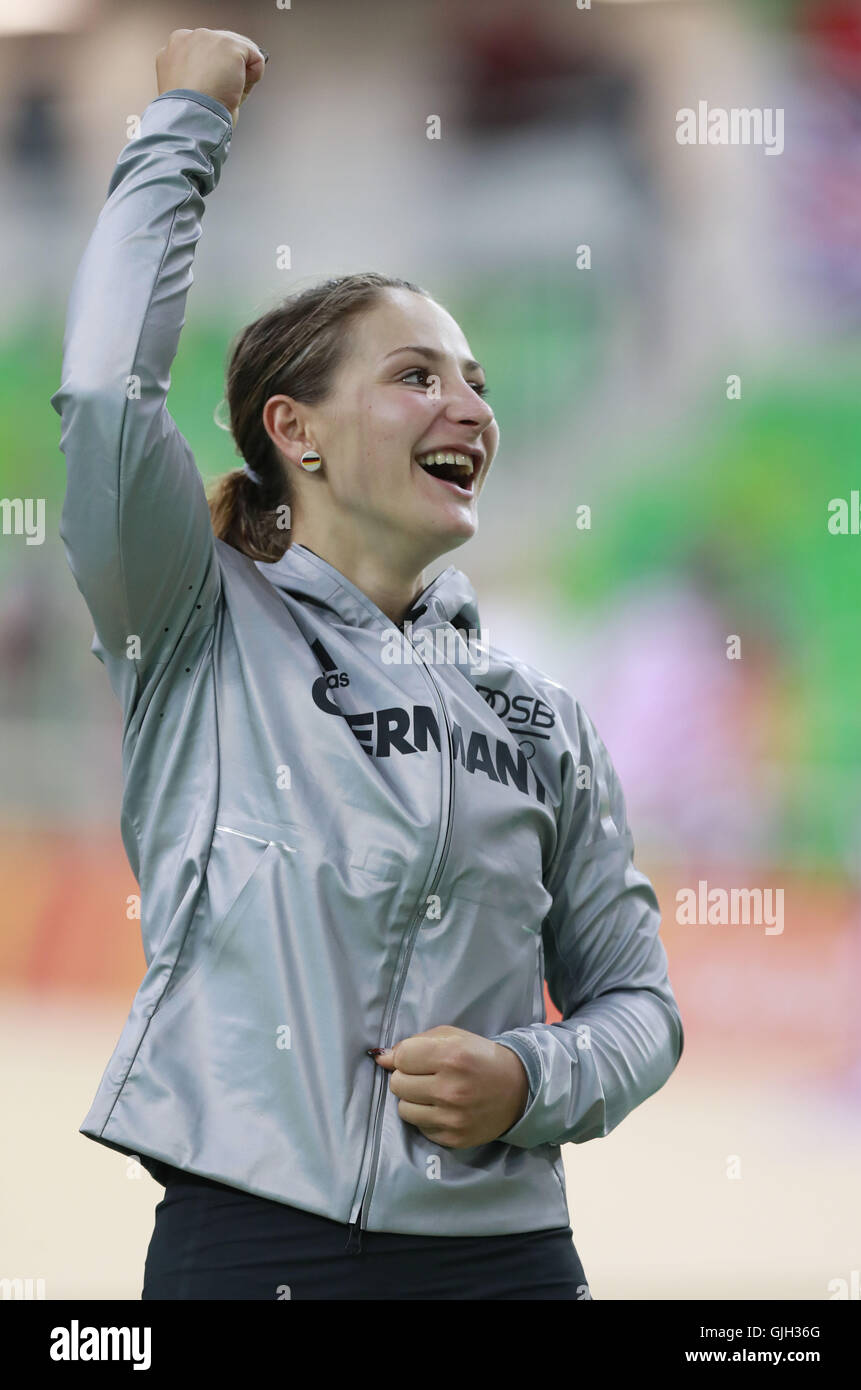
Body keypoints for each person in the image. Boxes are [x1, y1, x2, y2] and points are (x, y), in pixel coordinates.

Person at [50, 27, 684, 1300]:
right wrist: (182, 122)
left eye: (477, 383)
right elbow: (108, 398)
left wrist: (528, 1079)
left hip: (511, 1261)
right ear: (297, 432)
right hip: (254, 1245)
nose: (473, 410)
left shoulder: (543, 716)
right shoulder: (194, 624)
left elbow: (637, 1002)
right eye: (416, 377)